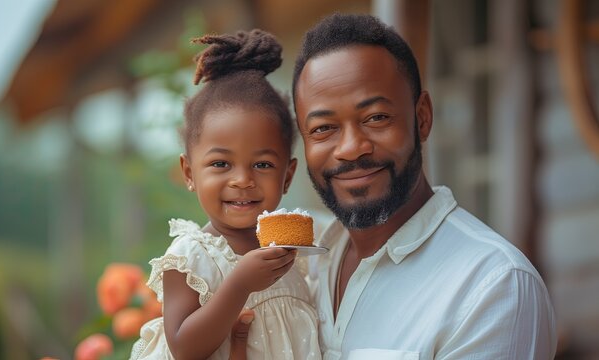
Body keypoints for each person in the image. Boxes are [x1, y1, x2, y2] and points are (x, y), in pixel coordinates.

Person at [234, 13, 557, 359]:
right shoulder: (302, 266)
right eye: (324, 128)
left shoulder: (491, 286)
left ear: (422, 119)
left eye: (376, 118)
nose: (351, 148)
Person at [129, 29, 322, 360]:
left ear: (287, 175)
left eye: (262, 164)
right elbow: (183, 346)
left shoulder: (288, 257)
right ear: (189, 173)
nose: (242, 180)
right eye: (221, 163)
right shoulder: (190, 257)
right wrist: (239, 284)